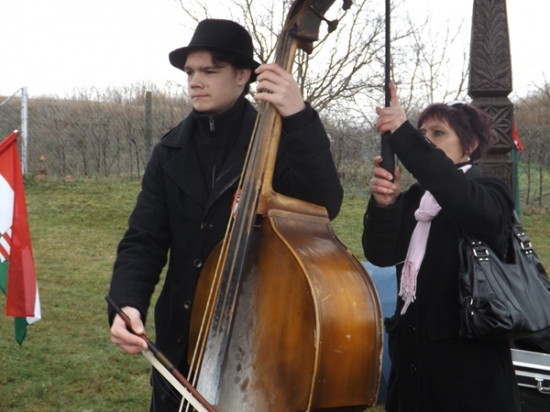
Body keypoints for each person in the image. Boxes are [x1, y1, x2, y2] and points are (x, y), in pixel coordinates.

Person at [106, 19, 343, 412]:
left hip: (257, 344)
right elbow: (144, 241)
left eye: (210, 71)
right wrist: (126, 302)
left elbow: (324, 203)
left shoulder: (276, 141)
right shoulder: (169, 151)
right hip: (180, 346)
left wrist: (298, 116)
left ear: (242, 75)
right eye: (190, 72)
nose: (195, 82)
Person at [362, 82, 521, 411]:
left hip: (469, 384)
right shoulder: (416, 200)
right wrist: (385, 206)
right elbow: (381, 254)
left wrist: (406, 136)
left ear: (470, 145)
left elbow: (456, 194)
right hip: (413, 377)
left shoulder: (489, 193)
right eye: (422, 133)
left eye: (438, 133)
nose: (427, 140)